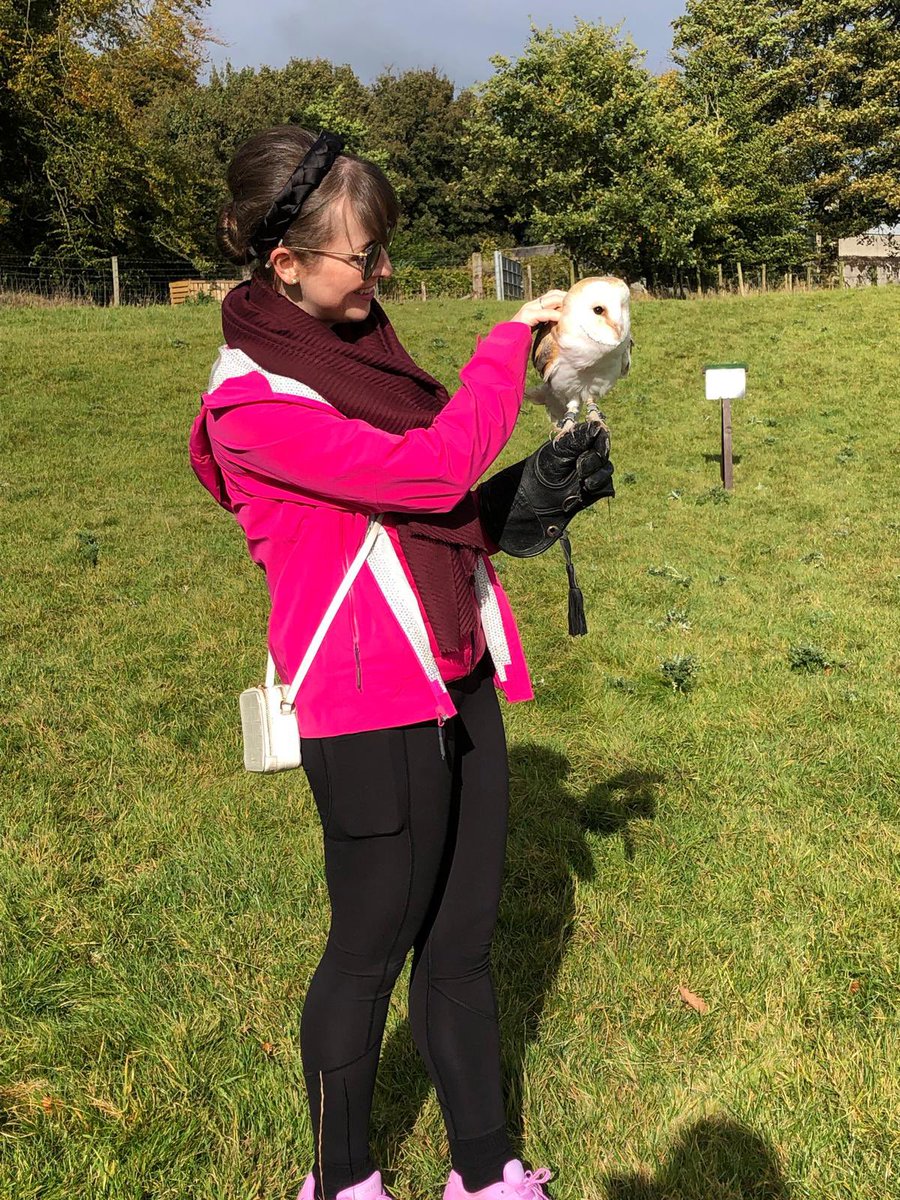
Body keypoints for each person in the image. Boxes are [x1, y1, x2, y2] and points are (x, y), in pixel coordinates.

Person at [188, 126, 613, 1200]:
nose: (379, 274)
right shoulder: (252, 407)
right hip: (369, 704)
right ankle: (340, 1182)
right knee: (369, 950)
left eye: (382, 251)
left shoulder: (363, 354)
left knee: (463, 941)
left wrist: (543, 483)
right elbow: (426, 477)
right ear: (283, 263)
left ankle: (485, 1170)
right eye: (360, 256)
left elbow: (451, 509)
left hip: (456, 671)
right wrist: (501, 346)